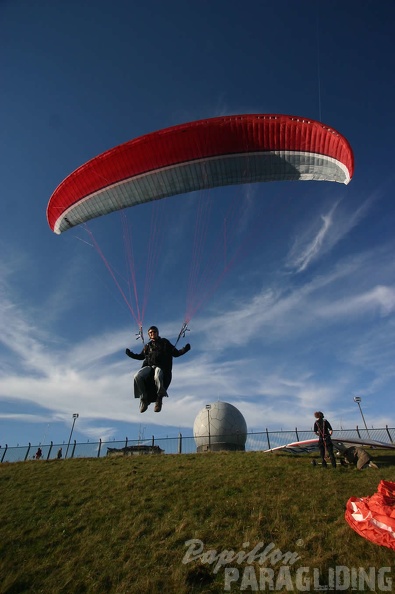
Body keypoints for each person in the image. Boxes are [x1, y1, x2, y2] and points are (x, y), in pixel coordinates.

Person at [125, 326, 191, 413]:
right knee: (137, 376)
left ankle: (159, 398)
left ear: (157, 333)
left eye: (154, 332)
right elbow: (141, 356)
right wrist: (131, 354)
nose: (153, 334)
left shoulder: (164, 342)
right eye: (150, 333)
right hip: (149, 367)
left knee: (158, 374)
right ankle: (144, 399)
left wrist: (185, 349)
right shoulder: (147, 346)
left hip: (161, 366)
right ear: (149, 335)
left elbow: (176, 353)